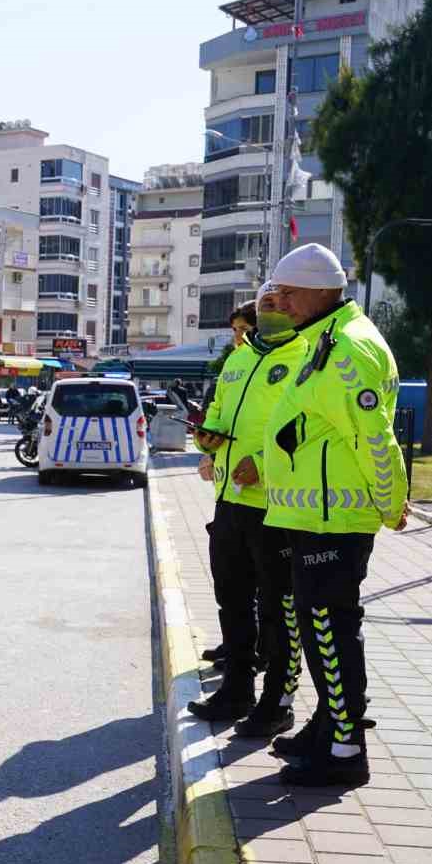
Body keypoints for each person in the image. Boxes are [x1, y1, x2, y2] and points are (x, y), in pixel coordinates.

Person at [259, 244, 408, 788]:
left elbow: (375, 436)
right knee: (322, 628)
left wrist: (392, 503)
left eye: (291, 294)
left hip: (335, 521)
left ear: (322, 289)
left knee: (330, 630)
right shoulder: (326, 338)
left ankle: (345, 751)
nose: (284, 304)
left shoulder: (348, 348)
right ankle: (328, 726)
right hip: (315, 516)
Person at [186, 289, 308, 739]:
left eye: (279, 303)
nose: (271, 310)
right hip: (230, 499)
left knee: (278, 610)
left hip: (277, 506)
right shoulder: (237, 361)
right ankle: (237, 689)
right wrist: (207, 437)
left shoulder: (306, 356)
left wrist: (264, 461)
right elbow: (218, 414)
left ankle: (277, 702)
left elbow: (307, 427)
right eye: (265, 304)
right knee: (232, 599)